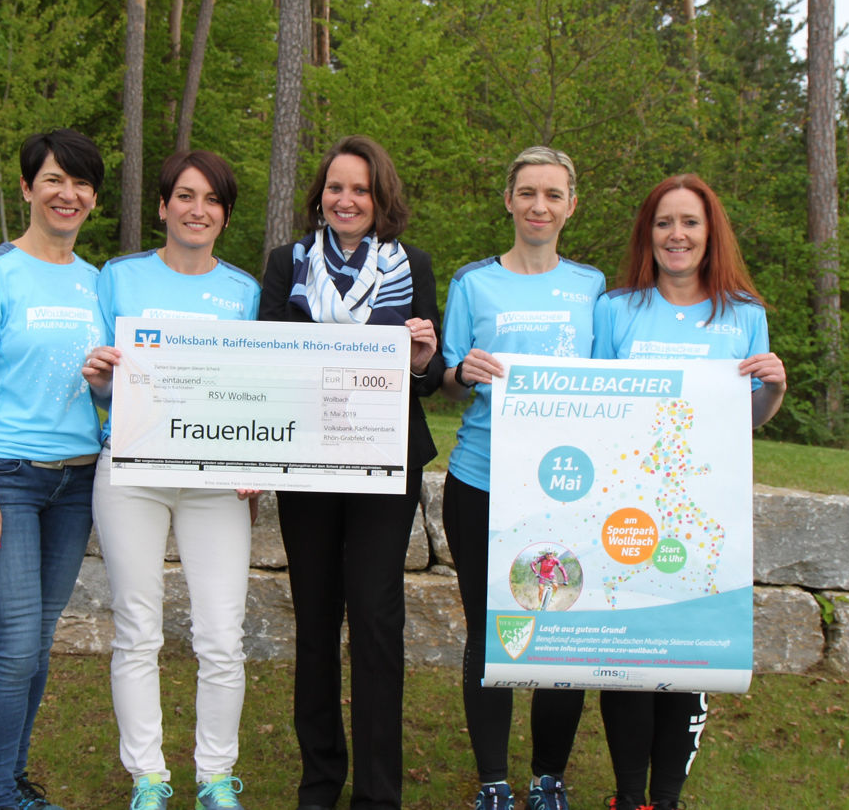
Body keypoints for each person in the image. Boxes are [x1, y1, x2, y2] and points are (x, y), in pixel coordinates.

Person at [258, 135, 444, 810]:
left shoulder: (411, 266)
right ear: (320, 195)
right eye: (336, 187)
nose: (347, 199)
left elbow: (428, 379)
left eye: (360, 189)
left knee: (373, 619)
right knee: (314, 619)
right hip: (307, 463)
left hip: (384, 464)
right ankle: (319, 781)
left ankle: (377, 794)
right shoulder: (288, 265)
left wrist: (423, 358)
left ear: (380, 198)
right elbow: (265, 365)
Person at [592, 173, 786, 810]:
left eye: (691, 223)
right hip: (627, 509)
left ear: (711, 233)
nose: (677, 234)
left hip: (704, 516)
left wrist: (775, 390)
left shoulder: (745, 317)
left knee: (687, 659)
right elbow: (590, 407)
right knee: (627, 659)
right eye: (664, 222)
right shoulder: (615, 310)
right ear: (648, 234)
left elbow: (749, 420)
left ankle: (665, 798)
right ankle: (627, 797)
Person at [81, 151, 261, 810]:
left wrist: (257, 463)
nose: (197, 209)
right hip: (132, 469)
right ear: (162, 206)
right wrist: (99, 377)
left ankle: (216, 778)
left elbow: (256, 392)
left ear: (225, 215)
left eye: (212, 200)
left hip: (215, 480)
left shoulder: (244, 292)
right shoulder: (119, 278)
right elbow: (100, 381)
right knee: (138, 628)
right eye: (185, 196)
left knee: (221, 634)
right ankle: (148, 778)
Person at [0, 128, 106, 810]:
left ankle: (13, 782)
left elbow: (104, 392)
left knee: (37, 646)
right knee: (14, 647)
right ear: (26, 189)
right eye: (53, 181)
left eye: (80, 183)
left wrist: (104, 388)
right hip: (10, 480)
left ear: (93, 198)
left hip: (76, 484)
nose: (67, 194)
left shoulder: (99, 284)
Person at [440, 146, 605, 810]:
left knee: (559, 630)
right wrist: (460, 375)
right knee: (491, 633)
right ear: (507, 199)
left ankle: (547, 777)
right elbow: (447, 380)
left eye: (553, 194)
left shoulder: (593, 288)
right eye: (527, 192)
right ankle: (494, 782)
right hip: (482, 481)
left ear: (572, 204)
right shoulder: (472, 284)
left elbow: (615, 390)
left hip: (568, 488)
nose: (540, 206)